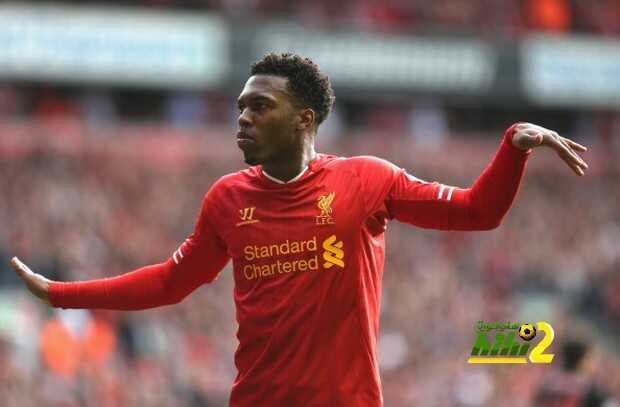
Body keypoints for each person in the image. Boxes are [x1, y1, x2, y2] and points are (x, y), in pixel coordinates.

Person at [11, 53, 589, 406]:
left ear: (304, 119)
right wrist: (62, 295)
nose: (242, 117)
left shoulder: (368, 179)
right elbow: (171, 282)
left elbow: (476, 212)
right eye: (240, 106)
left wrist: (513, 146)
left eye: (260, 106)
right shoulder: (226, 198)